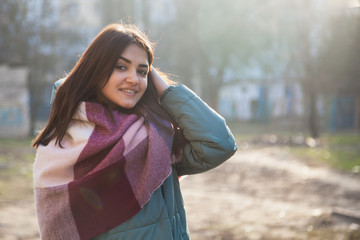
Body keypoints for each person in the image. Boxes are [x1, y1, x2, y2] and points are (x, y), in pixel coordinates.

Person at [32, 23, 237, 240]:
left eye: (142, 71)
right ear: (95, 69)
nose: (134, 79)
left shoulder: (156, 136)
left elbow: (219, 144)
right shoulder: (63, 141)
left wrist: (165, 90)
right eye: (121, 67)